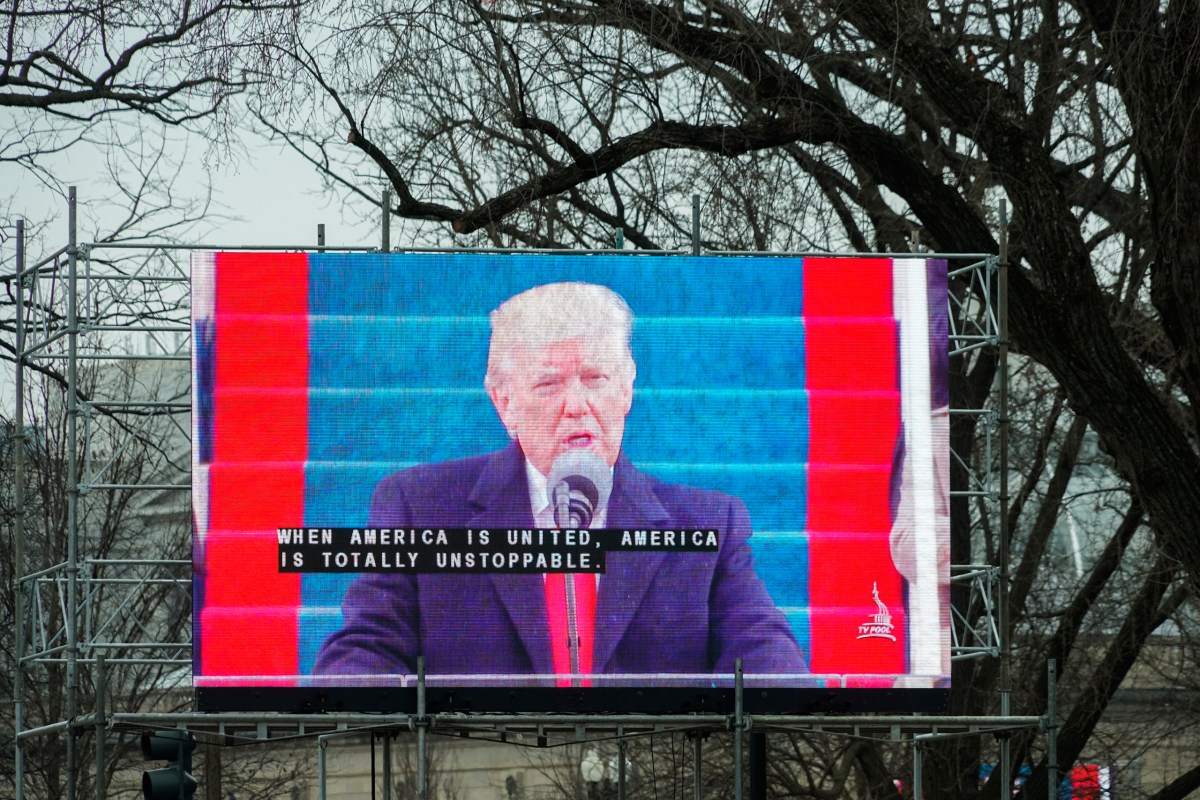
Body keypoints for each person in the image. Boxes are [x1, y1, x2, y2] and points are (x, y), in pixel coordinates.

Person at [312, 282, 806, 685]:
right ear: (504, 403)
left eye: (595, 379)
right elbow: (363, 652)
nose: (576, 405)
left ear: (628, 386)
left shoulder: (709, 526)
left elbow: (769, 658)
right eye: (549, 385)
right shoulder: (419, 510)